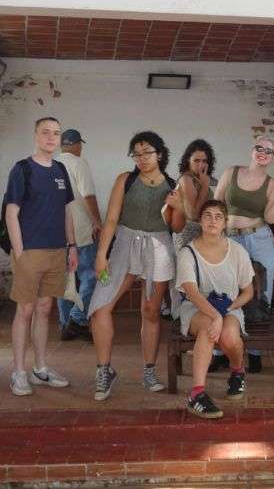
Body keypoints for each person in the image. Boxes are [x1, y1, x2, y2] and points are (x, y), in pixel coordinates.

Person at [89, 131, 177, 400]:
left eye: (147, 152)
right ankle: (104, 369)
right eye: (136, 154)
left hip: (159, 248)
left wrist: (179, 205)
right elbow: (112, 219)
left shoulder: (173, 186)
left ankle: (149, 370)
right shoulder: (125, 180)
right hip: (125, 244)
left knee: (150, 311)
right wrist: (101, 254)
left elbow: (175, 226)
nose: (141, 158)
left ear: (159, 154)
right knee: (101, 307)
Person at [3, 117, 78, 396]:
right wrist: (20, 252)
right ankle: (19, 372)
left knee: (45, 309)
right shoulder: (22, 169)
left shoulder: (60, 169)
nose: (51, 137)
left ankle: (40, 368)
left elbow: (67, 210)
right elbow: (12, 213)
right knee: (25, 310)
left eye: (56, 133)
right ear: (35, 136)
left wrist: (72, 246)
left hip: (56, 250)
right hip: (30, 251)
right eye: (45, 132)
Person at [212, 137, 274, 372]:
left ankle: (255, 352)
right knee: (224, 291)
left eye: (268, 151)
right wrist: (215, 236)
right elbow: (216, 204)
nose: (263, 152)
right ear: (252, 150)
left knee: (261, 295)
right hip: (229, 237)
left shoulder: (272, 184)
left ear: (273, 158)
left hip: (259, 238)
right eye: (259, 147)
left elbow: (271, 218)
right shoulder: (232, 172)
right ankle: (220, 351)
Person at [176, 200, 255, 418]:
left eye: (218, 216)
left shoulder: (237, 251)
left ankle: (237, 370)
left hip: (229, 308)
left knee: (229, 336)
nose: (212, 220)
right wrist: (215, 315)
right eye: (207, 215)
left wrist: (231, 306)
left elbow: (248, 291)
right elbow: (191, 292)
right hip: (196, 308)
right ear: (200, 221)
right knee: (211, 325)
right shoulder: (188, 253)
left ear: (225, 223)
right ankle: (197, 394)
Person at [54, 129, 103, 342]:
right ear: (75, 145)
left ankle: (66, 325)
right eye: (80, 145)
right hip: (80, 230)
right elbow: (88, 195)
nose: (81, 148)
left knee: (65, 281)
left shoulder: (51, 164)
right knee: (90, 276)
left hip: (56, 232)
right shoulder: (78, 163)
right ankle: (77, 319)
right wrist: (97, 222)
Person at [170, 139, 217, 251]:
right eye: (196, 160)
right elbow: (193, 215)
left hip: (205, 234)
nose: (201, 165)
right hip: (188, 235)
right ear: (188, 160)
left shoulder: (204, 179)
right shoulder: (186, 179)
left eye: (204, 161)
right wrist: (205, 187)